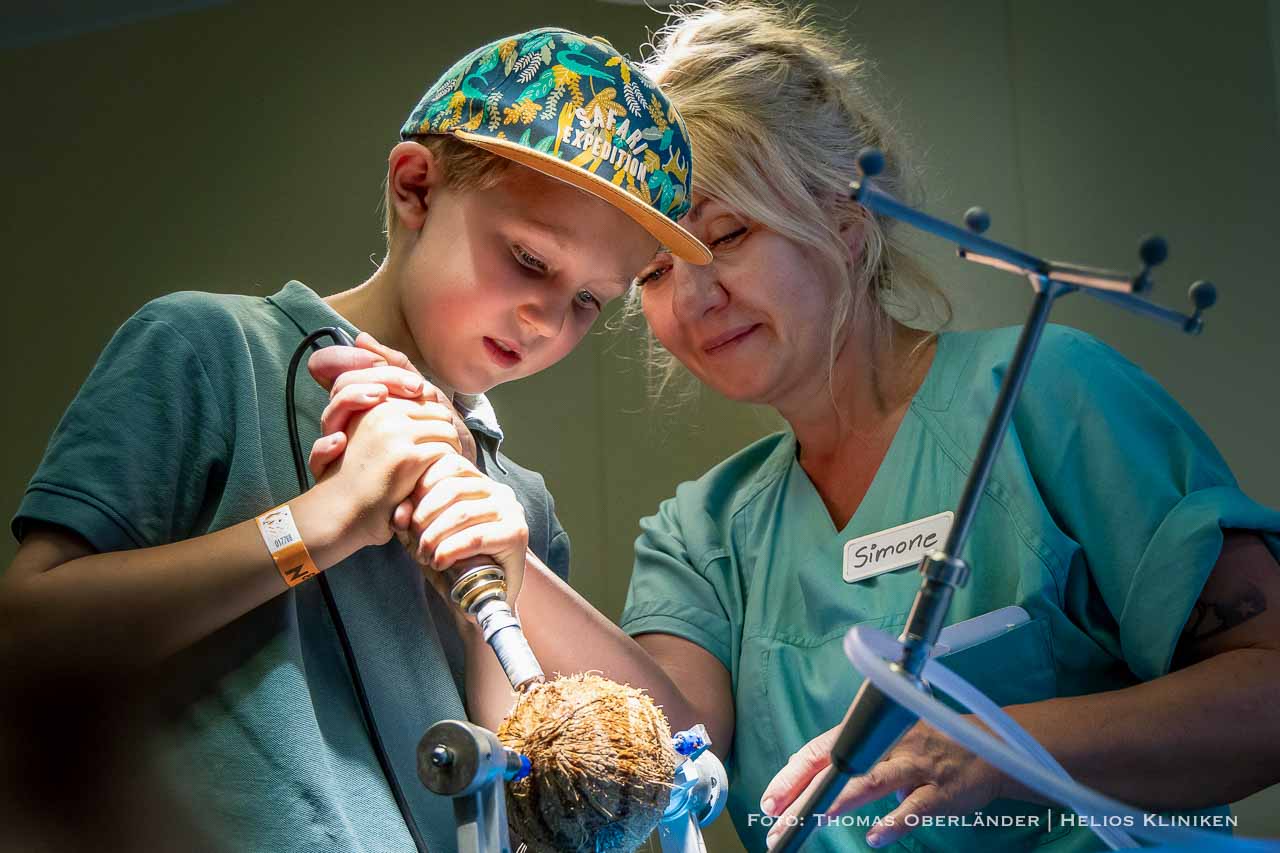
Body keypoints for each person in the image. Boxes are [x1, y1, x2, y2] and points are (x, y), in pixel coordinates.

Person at [307, 4, 1280, 852]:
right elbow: (673, 744)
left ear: (845, 221)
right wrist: (500, 546)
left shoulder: (1045, 397)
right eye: (647, 274)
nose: (691, 296)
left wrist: (1006, 747)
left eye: (725, 235)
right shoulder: (706, 531)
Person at [0, 27, 709, 853]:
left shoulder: (520, 506)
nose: (549, 320)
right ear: (415, 187)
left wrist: (497, 597)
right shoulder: (212, 351)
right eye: (527, 258)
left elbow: (556, 805)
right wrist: (321, 523)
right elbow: (28, 642)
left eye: (591, 300)